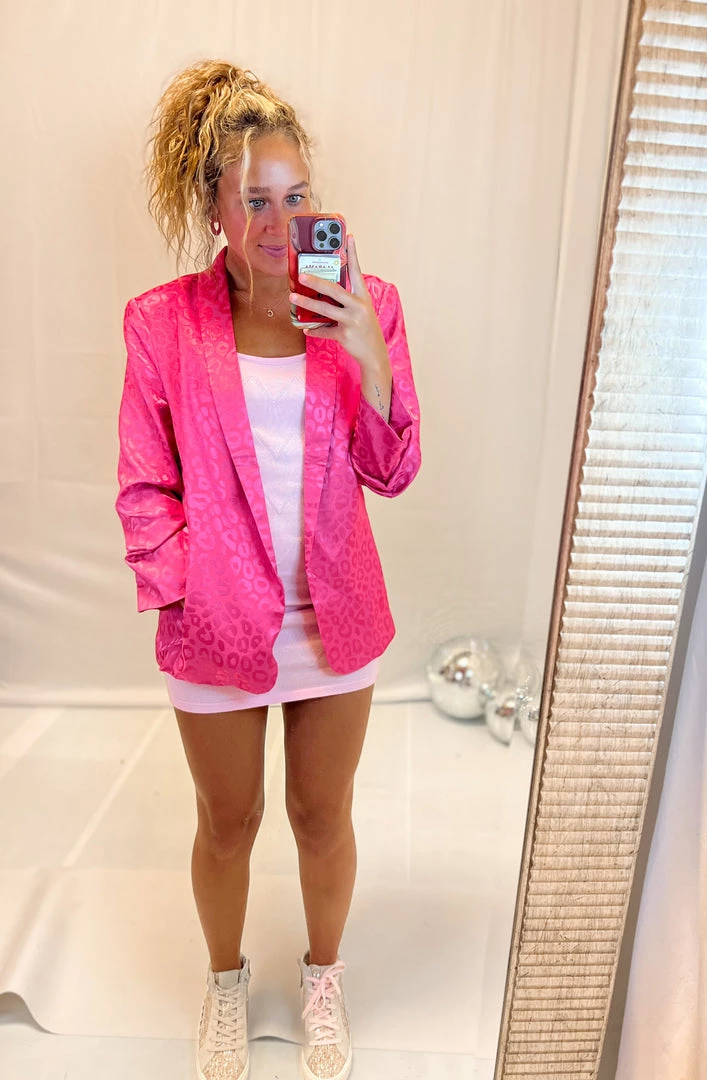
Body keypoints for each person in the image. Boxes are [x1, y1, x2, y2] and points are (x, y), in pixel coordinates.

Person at [114, 59, 421, 1080]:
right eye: (255, 201)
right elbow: (143, 487)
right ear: (214, 209)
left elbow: (393, 469)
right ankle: (224, 983)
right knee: (228, 823)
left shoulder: (368, 304)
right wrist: (187, 591)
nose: (281, 223)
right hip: (215, 621)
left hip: (336, 616)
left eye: (297, 197)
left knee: (321, 818)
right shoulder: (162, 323)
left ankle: (324, 977)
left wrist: (369, 350)